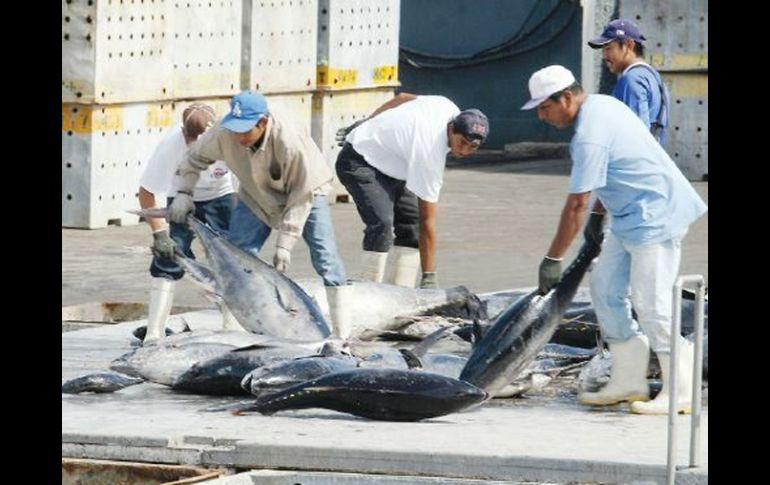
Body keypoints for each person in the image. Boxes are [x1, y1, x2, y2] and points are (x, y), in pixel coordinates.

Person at [521, 65, 707, 414]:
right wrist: (598, 219)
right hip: (627, 216)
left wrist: (554, 258)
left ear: (566, 98)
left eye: (545, 108)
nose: (542, 117)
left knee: (651, 301)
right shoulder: (602, 106)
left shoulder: (590, 131)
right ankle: (629, 379)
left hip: (656, 214)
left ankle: (681, 391)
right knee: (605, 290)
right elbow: (613, 172)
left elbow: (576, 204)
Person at [166, 91, 352, 338]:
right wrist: (183, 193)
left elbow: (301, 196)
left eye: (245, 130)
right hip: (256, 196)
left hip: (307, 193)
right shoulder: (224, 132)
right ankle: (232, 328)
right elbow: (194, 159)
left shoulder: (289, 139)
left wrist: (285, 245)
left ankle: (342, 335)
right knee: (237, 255)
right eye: (235, 129)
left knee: (325, 257)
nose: (239, 136)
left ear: (263, 122)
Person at [335, 93, 489, 289]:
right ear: (451, 129)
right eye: (462, 143)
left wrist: (370, 119)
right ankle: (369, 288)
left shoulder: (448, 106)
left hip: (397, 165)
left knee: (411, 224)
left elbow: (403, 97)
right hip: (359, 159)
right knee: (382, 222)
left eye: (472, 147)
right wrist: (429, 277)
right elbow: (429, 222)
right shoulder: (429, 153)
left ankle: (401, 290)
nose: (465, 151)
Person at [138, 103, 242, 344]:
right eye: (192, 140)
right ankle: (154, 333)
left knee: (229, 260)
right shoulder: (170, 147)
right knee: (168, 258)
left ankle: (233, 325)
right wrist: (160, 233)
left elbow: (244, 186)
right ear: (184, 133)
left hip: (221, 196)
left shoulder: (231, 142)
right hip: (181, 199)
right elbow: (146, 193)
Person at [588, 19, 670, 146]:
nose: (604, 56)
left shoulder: (632, 79)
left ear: (629, 45)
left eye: (608, 48)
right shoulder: (651, 76)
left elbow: (636, 137)